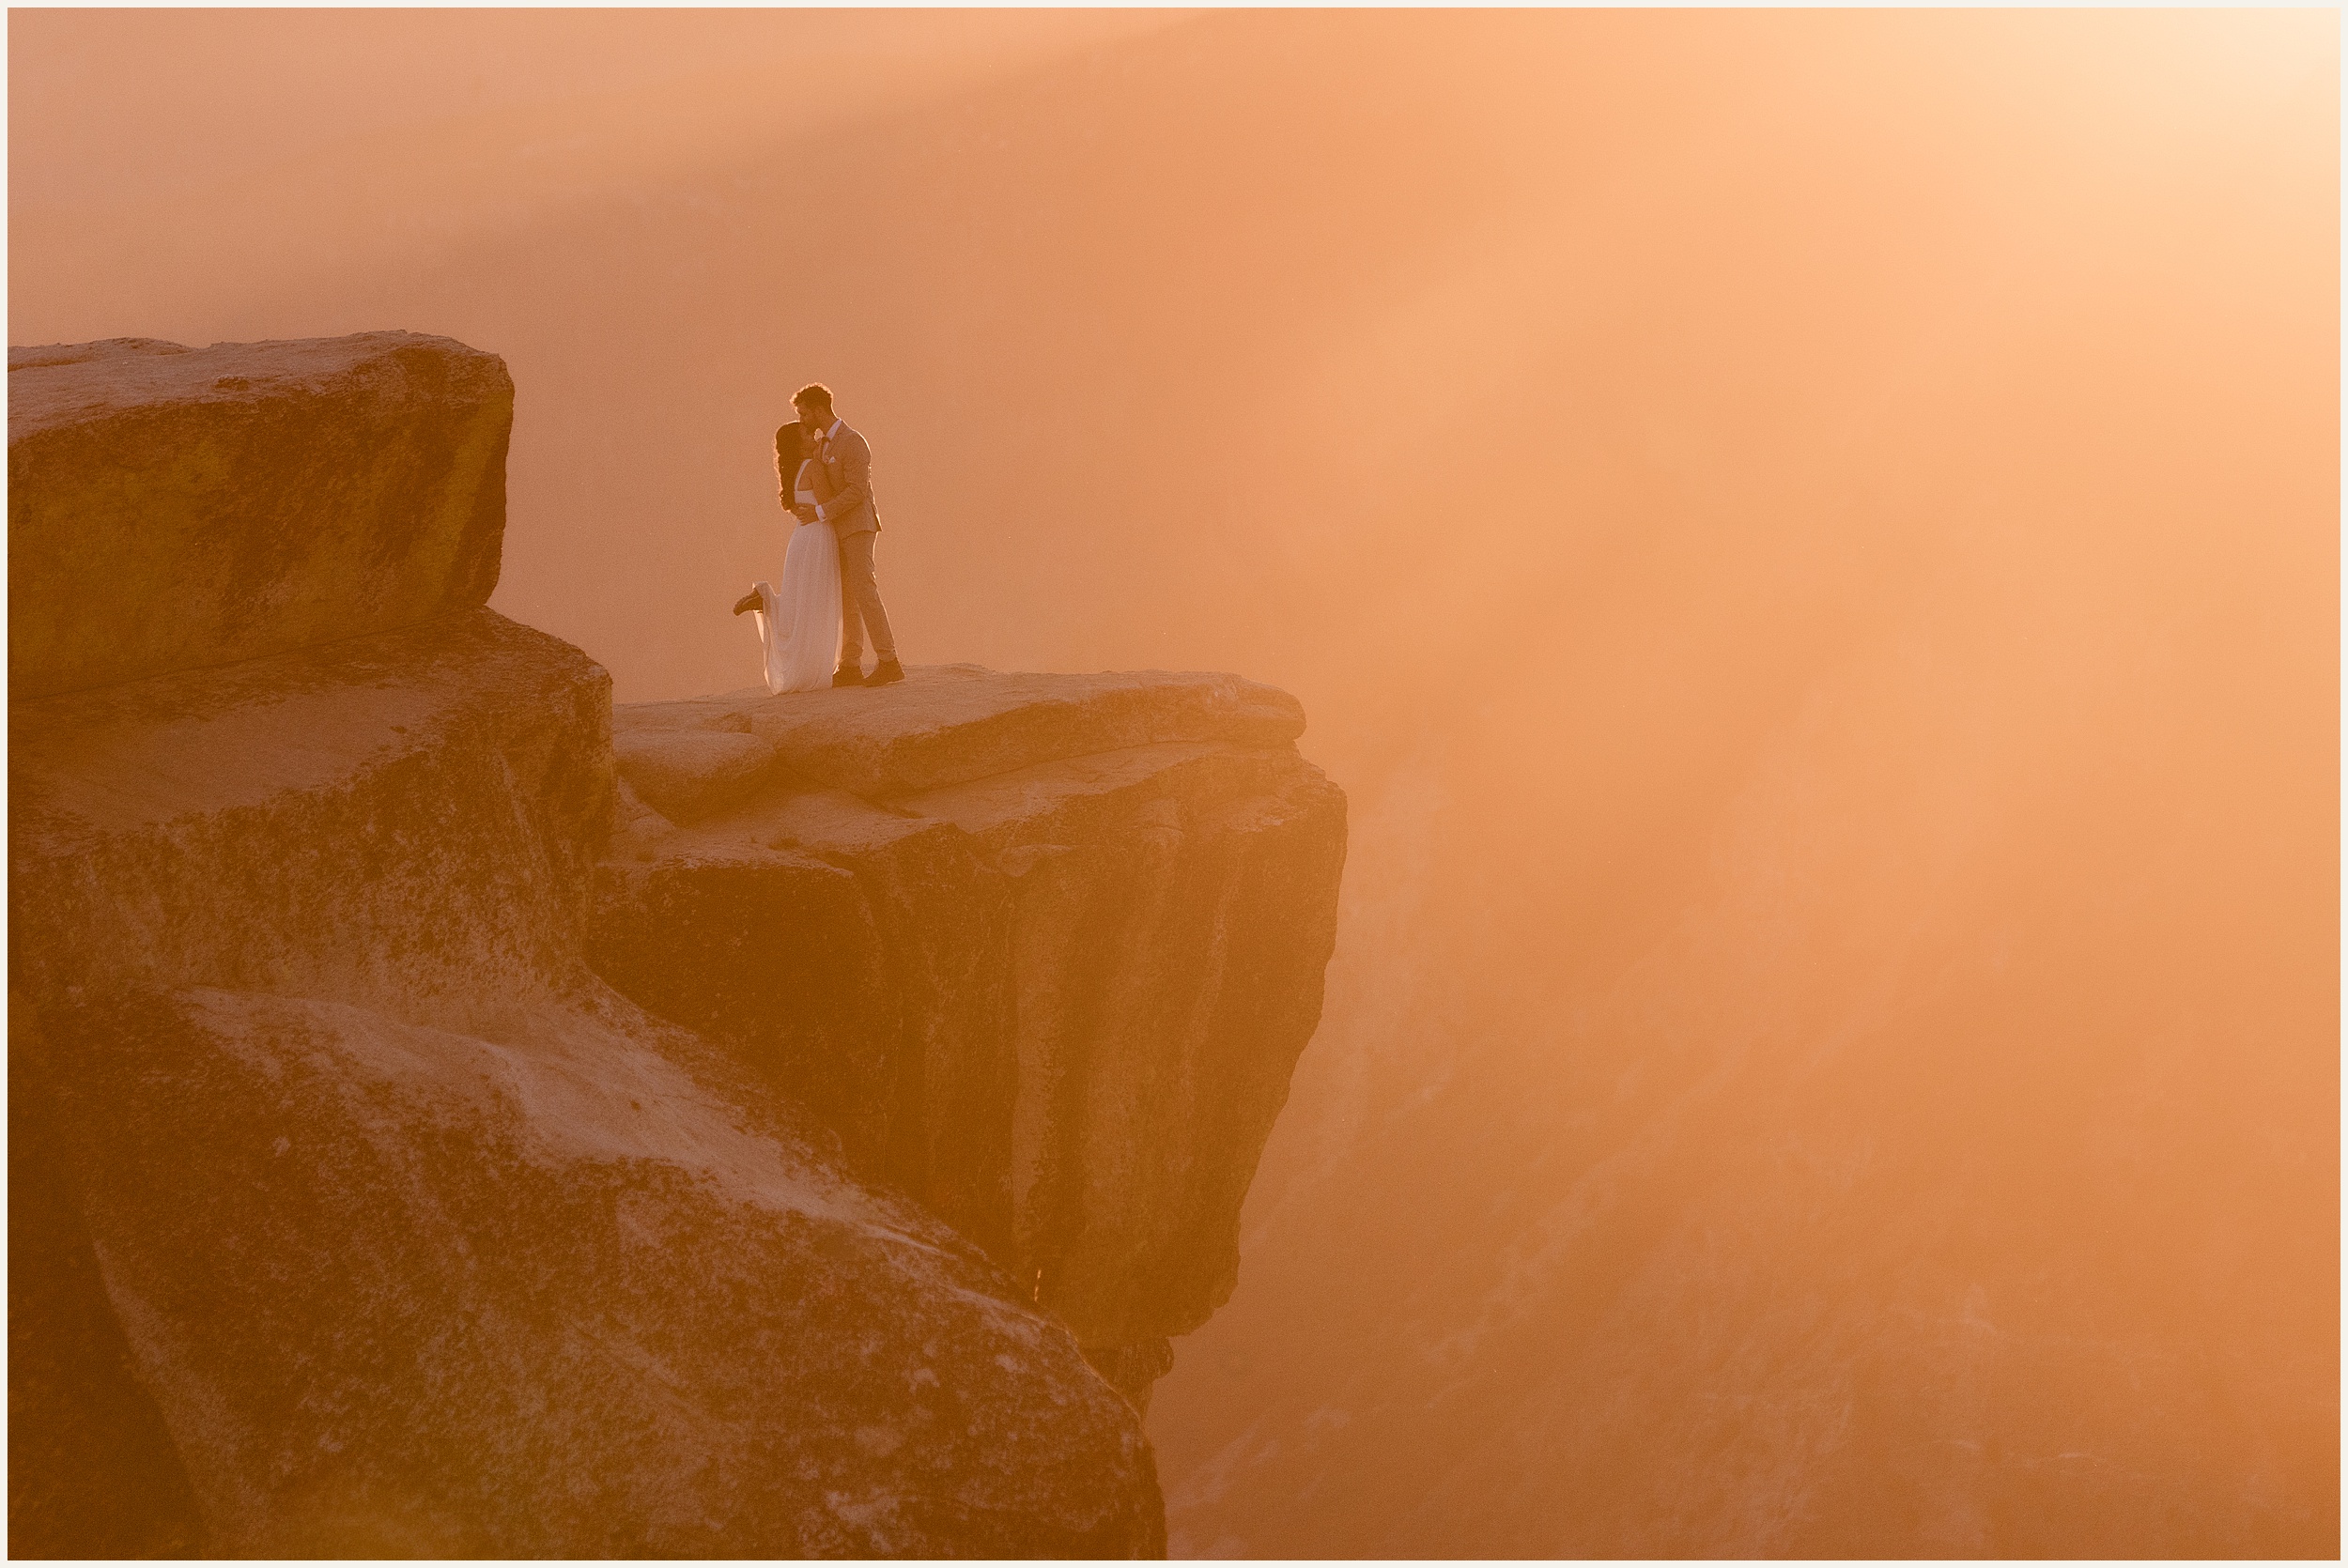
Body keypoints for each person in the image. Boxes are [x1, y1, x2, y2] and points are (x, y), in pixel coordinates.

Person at [789, 382, 903, 687]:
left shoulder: (853, 442)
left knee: (865, 590)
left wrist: (820, 512)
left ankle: (889, 660)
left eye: (803, 414)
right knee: (848, 596)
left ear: (818, 410)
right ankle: (850, 664)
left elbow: (856, 491)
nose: (802, 420)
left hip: (858, 526)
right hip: (838, 528)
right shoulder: (824, 445)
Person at [730, 420, 843, 694]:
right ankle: (767, 597)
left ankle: (767, 599)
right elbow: (831, 501)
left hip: (800, 539)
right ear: (798, 443)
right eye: (808, 434)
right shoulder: (814, 467)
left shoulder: (794, 471)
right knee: (814, 602)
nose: (814, 435)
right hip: (818, 537)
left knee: (799, 601)